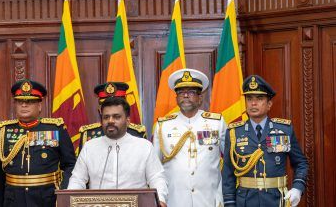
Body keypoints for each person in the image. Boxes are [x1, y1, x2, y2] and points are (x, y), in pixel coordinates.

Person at [222, 75, 308, 207]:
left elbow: (301, 162)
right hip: (245, 201)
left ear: (269, 104)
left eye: (259, 99)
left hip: (275, 200)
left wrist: (297, 188)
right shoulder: (234, 132)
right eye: (249, 99)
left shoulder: (284, 129)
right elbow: (228, 172)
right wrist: (229, 203)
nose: (253, 103)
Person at [68, 97, 168, 207]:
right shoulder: (90, 147)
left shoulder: (144, 146)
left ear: (128, 121)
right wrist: (70, 200)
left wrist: (161, 200)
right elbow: (78, 179)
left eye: (116, 117)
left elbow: (157, 177)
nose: (110, 121)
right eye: (106, 117)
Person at [0, 79, 76, 207]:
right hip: (14, 200)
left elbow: (70, 165)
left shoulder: (55, 128)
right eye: (20, 102)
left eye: (30, 102)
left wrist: (62, 192)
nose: (24, 105)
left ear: (39, 106)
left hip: (47, 199)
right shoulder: (3, 130)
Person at [153, 68, 227, 207]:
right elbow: (155, 168)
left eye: (191, 92)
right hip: (174, 200)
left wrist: (222, 195)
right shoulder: (163, 126)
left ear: (200, 97)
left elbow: (229, 163)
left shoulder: (216, 122)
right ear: (176, 98)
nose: (185, 96)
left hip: (209, 200)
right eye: (181, 92)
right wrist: (160, 198)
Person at [77, 82, 147, 156]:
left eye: (116, 115)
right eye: (105, 107)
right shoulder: (88, 134)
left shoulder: (137, 133)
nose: (111, 120)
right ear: (100, 110)